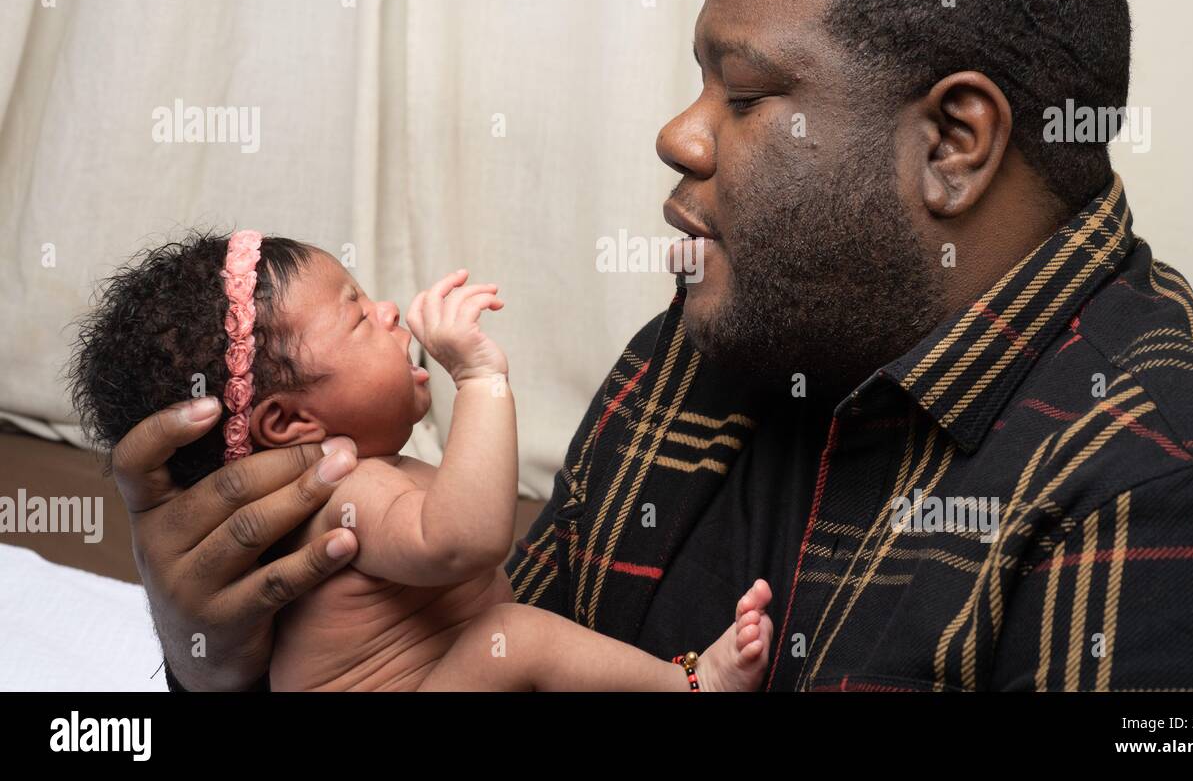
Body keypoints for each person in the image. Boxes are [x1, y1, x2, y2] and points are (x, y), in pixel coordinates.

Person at [117, 0, 1193, 692]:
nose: (679, 136)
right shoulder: (707, 340)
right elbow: (477, 647)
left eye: (742, 94)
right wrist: (220, 653)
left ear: (951, 144)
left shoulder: (1189, 499)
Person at [71, 229, 773, 690]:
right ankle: (693, 684)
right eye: (355, 315)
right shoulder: (343, 493)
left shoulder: (358, 481)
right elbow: (464, 542)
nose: (389, 313)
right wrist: (478, 376)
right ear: (287, 422)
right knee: (512, 634)